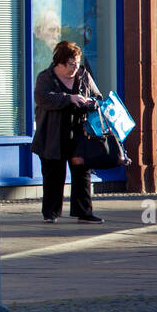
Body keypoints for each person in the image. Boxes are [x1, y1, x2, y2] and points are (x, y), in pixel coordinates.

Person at [31, 40, 103, 223]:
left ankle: (84, 212)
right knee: (54, 175)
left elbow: (98, 96)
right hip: (52, 135)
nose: (75, 68)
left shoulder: (83, 75)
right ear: (59, 62)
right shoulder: (46, 78)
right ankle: (50, 213)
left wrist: (91, 103)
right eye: (71, 64)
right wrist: (69, 98)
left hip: (79, 134)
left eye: (77, 63)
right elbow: (43, 98)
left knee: (82, 173)